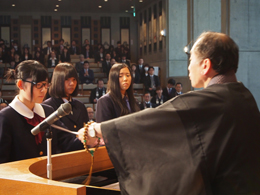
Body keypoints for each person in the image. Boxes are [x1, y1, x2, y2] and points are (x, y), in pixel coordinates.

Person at [78, 31, 260, 194]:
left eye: (190, 61)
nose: (188, 68)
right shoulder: (244, 96)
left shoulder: (207, 103)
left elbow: (154, 122)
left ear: (205, 65)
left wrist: (97, 129)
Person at [0, 60, 79, 163]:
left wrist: (87, 138)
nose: (43, 90)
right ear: (20, 84)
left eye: (45, 84)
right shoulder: (6, 117)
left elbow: (67, 141)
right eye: (38, 85)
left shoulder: (47, 111)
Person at [43, 63, 87, 151]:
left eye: (74, 79)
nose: (72, 83)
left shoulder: (80, 106)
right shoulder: (47, 106)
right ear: (58, 81)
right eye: (67, 80)